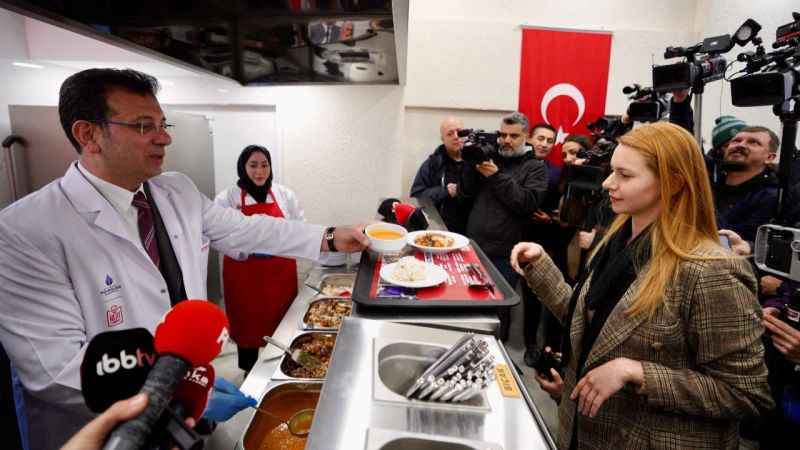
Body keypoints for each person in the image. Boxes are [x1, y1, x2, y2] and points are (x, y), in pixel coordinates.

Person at [0, 68, 368, 449]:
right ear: (88, 134)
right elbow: (56, 372)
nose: (165, 138)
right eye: (144, 126)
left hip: (185, 423)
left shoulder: (175, 190)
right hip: (106, 435)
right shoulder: (23, 230)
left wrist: (329, 236)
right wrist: (178, 388)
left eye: (162, 123)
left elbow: (247, 229)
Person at [510, 122, 773, 449]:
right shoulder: (616, 242)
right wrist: (540, 266)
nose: (608, 183)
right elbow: (598, 328)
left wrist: (637, 372)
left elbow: (746, 394)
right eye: (611, 172)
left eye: (625, 175)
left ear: (673, 183)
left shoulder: (711, 271)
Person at [214, 145, 306, 374]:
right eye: (253, 165)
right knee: (247, 325)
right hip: (243, 276)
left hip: (279, 275)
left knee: (282, 324)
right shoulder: (227, 198)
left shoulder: (285, 195)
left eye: (264, 165)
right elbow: (217, 235)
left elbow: (299, 228)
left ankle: (280, 369)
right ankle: (248, 371)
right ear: (243, 167)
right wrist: (245, 250)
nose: (259, 171)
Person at [463, 111, 548, 341]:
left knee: (498, 311)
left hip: (505, 254)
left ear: (526, 138)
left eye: (513, 136)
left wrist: (496, 176)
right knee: (469, 306)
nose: (506, 141)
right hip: (474, 248)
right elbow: (466, 193)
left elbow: (527, 204)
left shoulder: (536, 168)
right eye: (502, 135)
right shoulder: (491, 158)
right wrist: (470, 165)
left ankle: (500, 356)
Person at [410, 116, 474, 234]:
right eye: (450, 134)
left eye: (459, 132)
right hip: (441, 231)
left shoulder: (478, 163)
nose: (456, 136)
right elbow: (416, 197)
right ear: (443, 139)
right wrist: (445, 192)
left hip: (473, 233)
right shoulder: (433, 164)